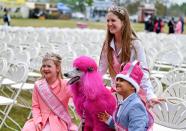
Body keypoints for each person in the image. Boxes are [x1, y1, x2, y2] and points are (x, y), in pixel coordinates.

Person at [99, 5, 162, 107]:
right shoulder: (107, 45)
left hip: (134, 96)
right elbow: (100, 71)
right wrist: (91, 88)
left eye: (113, 20)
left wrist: (150, 95)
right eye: (108, 20)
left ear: (123, 22)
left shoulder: (135, 44)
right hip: (115, 94)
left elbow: (143, 71)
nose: (109, 24)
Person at [22, 53, 77, 131]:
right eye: (44, 66)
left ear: (57, 68)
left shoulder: (66, 85)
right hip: (40, 119)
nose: (45, 68)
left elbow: (78, 99)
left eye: (49, 66)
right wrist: (37, 121)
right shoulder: (38, 85)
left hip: (59, 120)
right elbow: (35, 106)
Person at [98, 61, 154, 131]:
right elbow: (122, 126)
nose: (117, 82)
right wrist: (109, 120)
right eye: (117, 80)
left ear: (132, 86)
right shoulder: (125, 102)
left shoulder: (136, 106)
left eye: (121, 80)